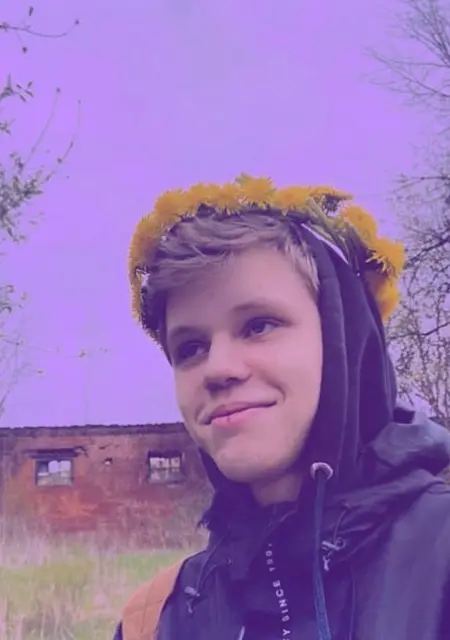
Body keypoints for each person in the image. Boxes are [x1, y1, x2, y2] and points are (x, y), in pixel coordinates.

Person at [113, 175, 450, 640]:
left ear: (344, 341)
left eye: (259, 325)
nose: (218, 368)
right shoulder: (154, 621)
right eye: (190, 348)